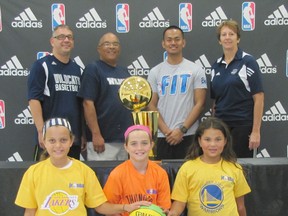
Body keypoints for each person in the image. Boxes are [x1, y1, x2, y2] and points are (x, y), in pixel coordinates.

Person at [15, 118, 150, 216]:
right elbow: (30, 211)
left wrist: (128, 207)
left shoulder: (84, 171)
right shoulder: (33, 173)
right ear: (44, 142)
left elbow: (100, 207)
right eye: (52, 141)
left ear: (71, 141)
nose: (58, 146)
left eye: (63, 140)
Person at [168, 117, 251, 216]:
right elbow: (179, 203)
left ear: (225, 141)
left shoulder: (234, 168)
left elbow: (240, 206)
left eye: (218, 139)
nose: (213, 144)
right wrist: (172, 213)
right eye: (207, 139)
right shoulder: (187, 168)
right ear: (199, 141)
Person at [147, 25, 207, 160]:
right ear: (163, 44)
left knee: (189, 178)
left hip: (188, 135)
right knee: (163, 179)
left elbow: (200, 103)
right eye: (169, 40)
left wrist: (182, 130)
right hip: (163, 136)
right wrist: (167, 131)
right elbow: (151, 105)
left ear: (183, 42)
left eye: (177, 39)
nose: (173, 43)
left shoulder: (196, 70)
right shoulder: (154, 72)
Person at [28, 24, 85, 160]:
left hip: (72, 138)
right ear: (52, 41)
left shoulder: (78, 69)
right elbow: (34, 100)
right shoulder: (42, 66)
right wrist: (42, 130)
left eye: (69, 37)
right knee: (45, 179)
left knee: (71, 178)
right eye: (61, 37)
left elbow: (80, 105)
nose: (66, 40)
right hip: (51, 139)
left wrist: (82, 133)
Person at [210, 20, 264, 158]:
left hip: (242, 126)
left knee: (241, 171)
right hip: (221, 128)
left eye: (231, 34)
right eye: (224, 34)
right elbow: (215, 101)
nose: (227, 37)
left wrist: (256, 131)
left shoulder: (248, 61)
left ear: (238, 38)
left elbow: (259, 98)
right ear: (219, 40)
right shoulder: (216, 65)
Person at [78, 32, 132, 160]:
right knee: (102, 179)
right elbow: (87, 103)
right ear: (99, 49)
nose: (112, 47)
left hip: (124, 140)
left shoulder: (125, 72)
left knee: (121, 179)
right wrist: (96, 134)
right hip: (102, 141)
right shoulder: (93, 69)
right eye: (107, 44)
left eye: (115, 44)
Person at [103, 125, 171, 216]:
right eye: (134, 143)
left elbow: (164, 208)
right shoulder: (117, 174)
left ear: (151, 145)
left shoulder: (160, 173)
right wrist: (125, 208)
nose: (139, 148)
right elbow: (107, 208)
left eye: (144, 143)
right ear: (126, 147)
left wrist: (164, 212)